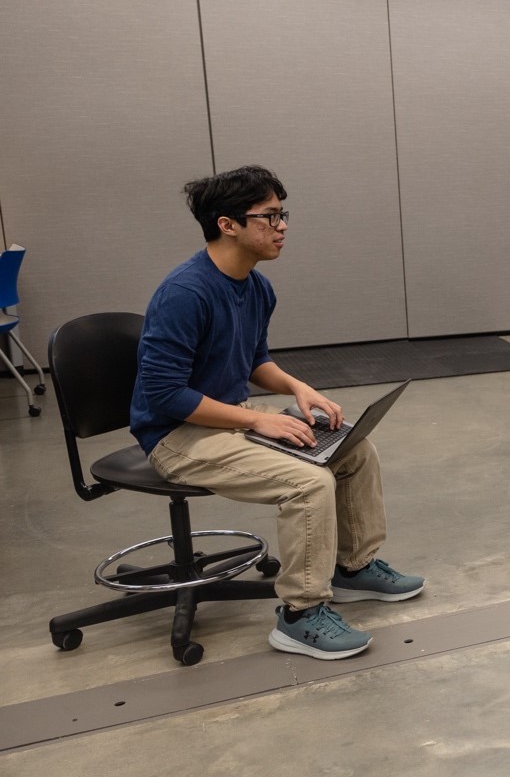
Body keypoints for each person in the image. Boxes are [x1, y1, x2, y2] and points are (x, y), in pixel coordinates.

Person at [131, 165, 424, 660]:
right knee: (307, 483)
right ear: (228, 225)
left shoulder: (256, 286)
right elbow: (163, 394)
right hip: (176, 435)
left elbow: (254, 361)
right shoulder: (185, 293)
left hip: (227, 414)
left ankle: (352, 568)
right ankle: (299, 615)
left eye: (283, 214)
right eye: (269, 216)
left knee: (352, 449)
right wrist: (256, 420)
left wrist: (297, 387)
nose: (282, 226)